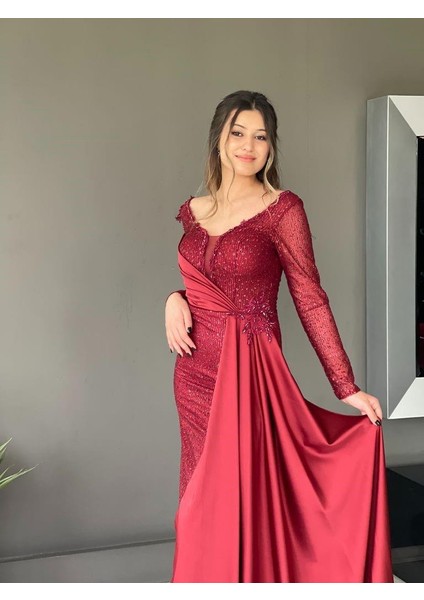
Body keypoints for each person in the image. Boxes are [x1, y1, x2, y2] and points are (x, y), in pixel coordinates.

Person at [164, 90, 393, 583]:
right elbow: (204, 281)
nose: (248, 146)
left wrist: (345, 385)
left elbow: (309, 296)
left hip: (250, 374)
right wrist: (173, 298)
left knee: (243, 501)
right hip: (194, 379)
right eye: (238, 133)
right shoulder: (193, 209)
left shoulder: (282, 209)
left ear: (271, 147)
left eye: (261, 136)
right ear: (219, 138)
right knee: (197, 506)